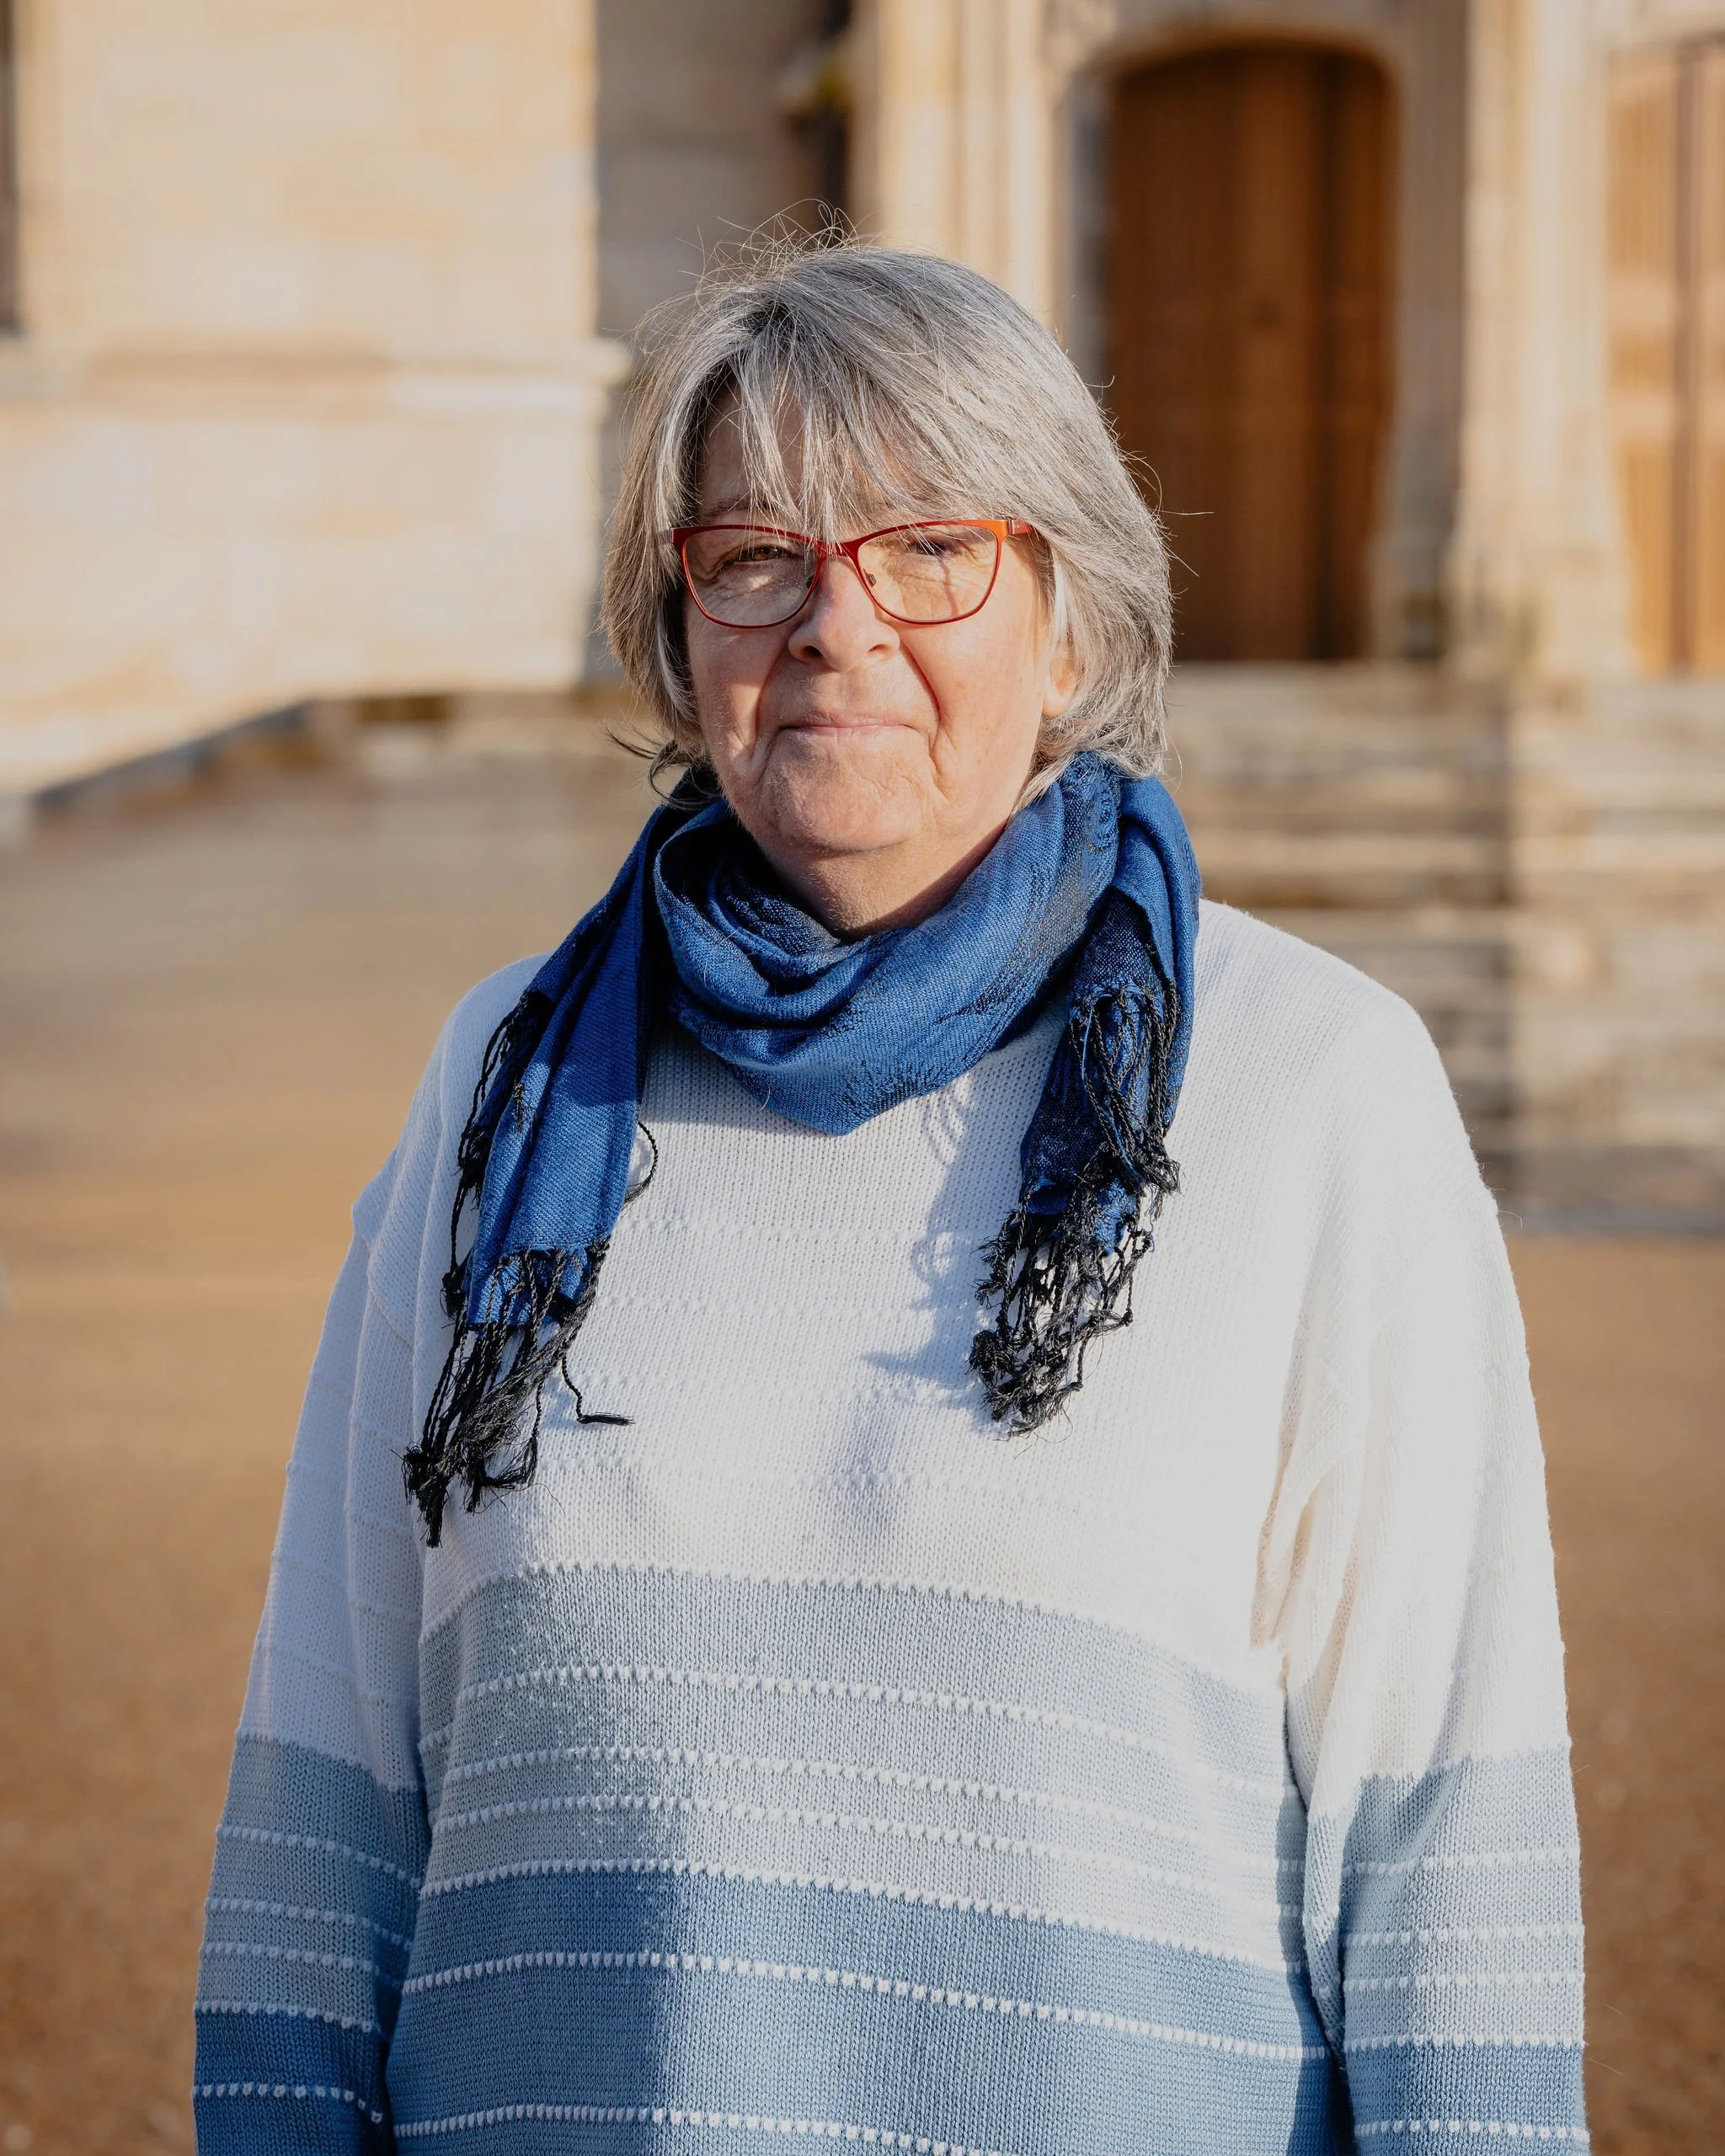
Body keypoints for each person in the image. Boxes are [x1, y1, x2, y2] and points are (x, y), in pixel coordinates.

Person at [193, 243, 1586, 2154]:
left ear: (1072, 629)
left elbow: (1445, 1844)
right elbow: (332, 1770)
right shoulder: (511, 1084)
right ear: (681, 633)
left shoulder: (1314, 1088)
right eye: (756, 556)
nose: (836, 625)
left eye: (931, 548)